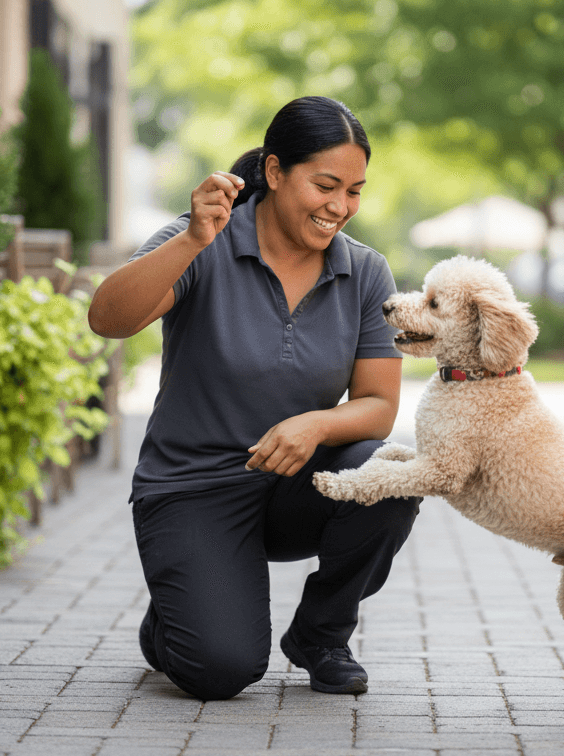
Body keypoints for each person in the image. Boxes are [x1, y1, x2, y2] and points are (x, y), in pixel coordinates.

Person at [88, 96, 420, 699]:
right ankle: (177, 610)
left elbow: (378, 407)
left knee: (391, 472)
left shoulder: (366, 272)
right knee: (220, 671)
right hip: (193, 488)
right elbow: (108, 320)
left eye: (354, 191)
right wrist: (192, 240)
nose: (340, 207)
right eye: (326, 186)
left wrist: (315, 426)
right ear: (274, 172)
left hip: (296, 486)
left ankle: (321, 635)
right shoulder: (201, 240)